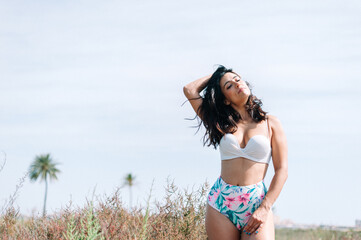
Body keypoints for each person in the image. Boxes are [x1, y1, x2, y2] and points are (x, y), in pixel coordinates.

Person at [183, 65, 288, 240]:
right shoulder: (219, 124)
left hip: (256, 203)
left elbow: (282, 170)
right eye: (229, 86)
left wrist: (264, 208)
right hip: (221, 203)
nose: (237, 84)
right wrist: (218, 76)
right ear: (225, 99)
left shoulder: (271, 123)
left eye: (238, 79)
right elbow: (190, 90)